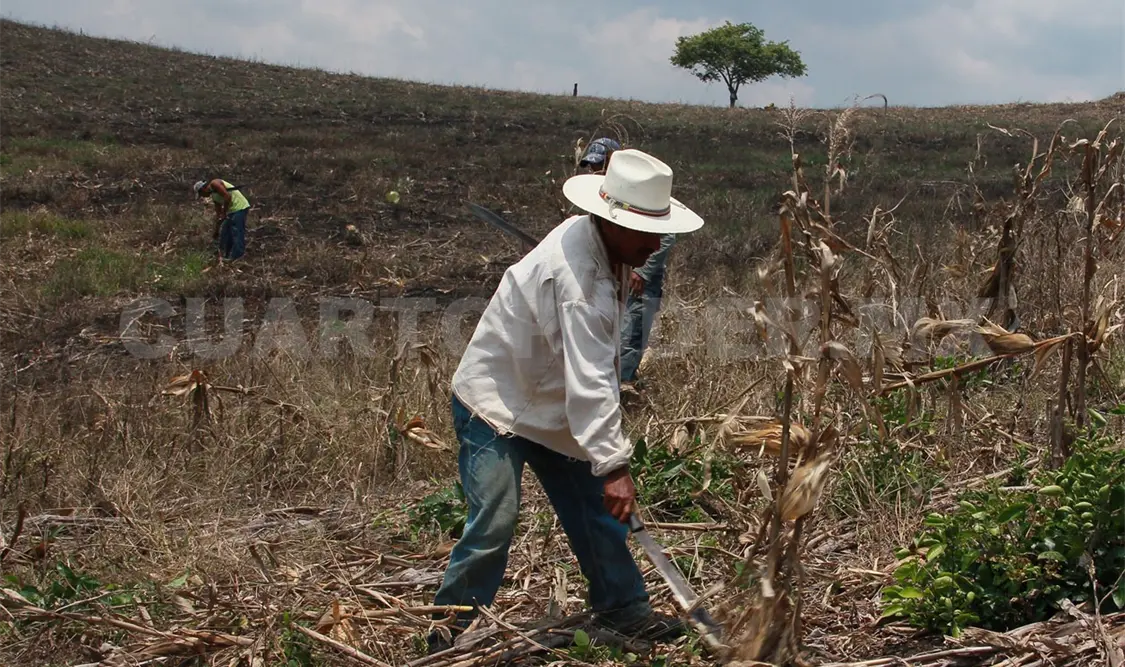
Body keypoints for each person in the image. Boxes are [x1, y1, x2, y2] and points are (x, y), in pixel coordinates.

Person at [428, 149, 705, 653]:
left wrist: (626, 271)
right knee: (495, 516)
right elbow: (592, 380)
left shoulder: (596, 242)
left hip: (552, 404)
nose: (656, 243)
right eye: (646, 234)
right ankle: (450, 630)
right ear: (611, 223)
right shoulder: (583, 287)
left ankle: (623, 609)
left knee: (594, 507)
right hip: (497, 402)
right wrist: (616, 464)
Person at [578, 138, 676, 388]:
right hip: (610, 278)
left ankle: (622, 386)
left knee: (631, 333)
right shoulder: (601, 197)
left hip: (639, 282)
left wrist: (641, 272)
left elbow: (665, 235)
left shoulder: (641, 195)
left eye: (599, 165)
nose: (594, 171)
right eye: (591, 166)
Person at [193, 178, 250, 260]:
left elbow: (227, 197)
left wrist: (224, 213)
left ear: (203, 189)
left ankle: (238, 256)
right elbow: (219, 215)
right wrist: (216, 230)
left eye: (201, 194)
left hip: (239, 207)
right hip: (231, 211)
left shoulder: (214, 183)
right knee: (225, 232)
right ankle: (225, 255)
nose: (203, 197)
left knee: (236, 231)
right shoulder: (214, 196)